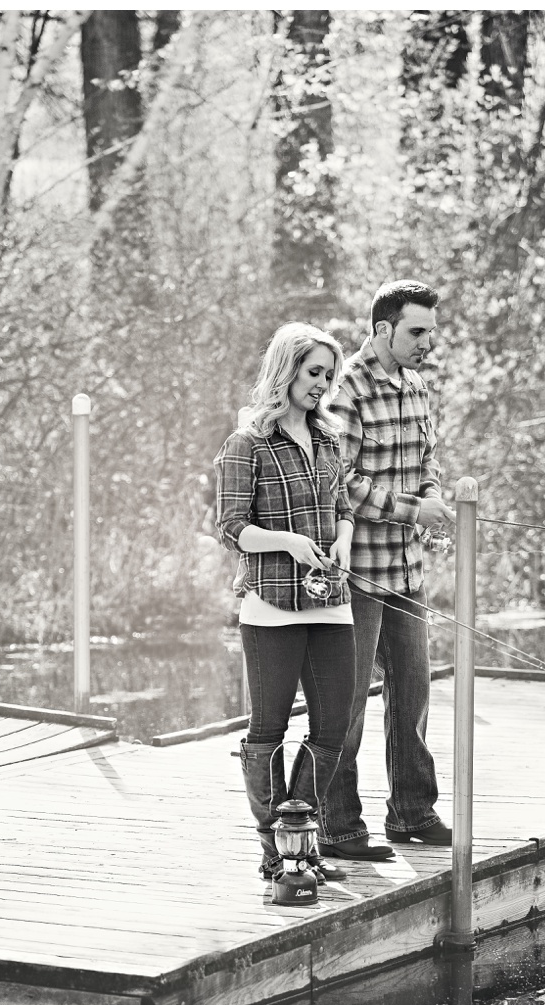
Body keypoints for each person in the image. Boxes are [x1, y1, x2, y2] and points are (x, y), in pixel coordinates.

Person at [317, 280, 456, 863]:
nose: (427, 342)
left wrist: (431, 502)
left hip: (407, 569)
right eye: (416, 331)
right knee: (346, 702)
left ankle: (411, 812)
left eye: (430, 331)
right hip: (361, 572)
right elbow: (338, 482)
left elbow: (427, 461)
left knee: (413, 693)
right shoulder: (346, 388)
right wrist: (408, 508)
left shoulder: (418, 385)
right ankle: (338, 827)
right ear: (383, 329)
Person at [215, 323, 357, 887]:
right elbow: (230, 528)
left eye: (329, 374)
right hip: (270, 606)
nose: (322, 384)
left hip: (331, 601)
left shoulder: (329, 440)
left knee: (333, 726)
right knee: (267, 730)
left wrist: (342, 540)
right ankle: (275, 850)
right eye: (314, 372)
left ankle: (300, 839)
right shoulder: (246, 444)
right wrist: (289, 544)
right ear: (286, 370)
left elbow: (342, 505)